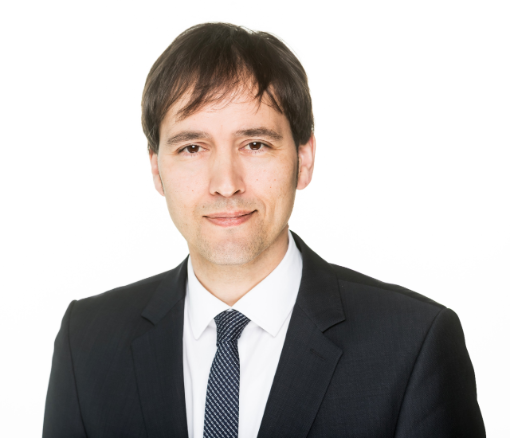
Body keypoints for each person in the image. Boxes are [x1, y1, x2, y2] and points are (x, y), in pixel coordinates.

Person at [43, 22, 485, 438]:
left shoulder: (413, 345)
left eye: (255, 144)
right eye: (192, 147)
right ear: (157, 169)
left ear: (303, 159)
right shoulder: (87, 343)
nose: (226, 183)